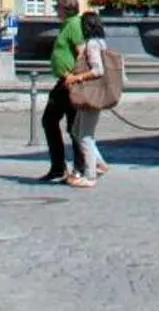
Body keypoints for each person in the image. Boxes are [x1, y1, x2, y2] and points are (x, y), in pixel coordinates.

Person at [62, 11, 114, 187]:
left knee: (85, 135)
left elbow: (98, 70)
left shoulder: (92, 44)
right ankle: (99, 163)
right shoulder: (101, 42)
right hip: (95, 92)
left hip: (92, 93)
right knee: (77, 130)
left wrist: (77, 78)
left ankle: (90, 175)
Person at [38, 0, 85, 183]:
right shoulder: (66, 24)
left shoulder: (74, 24)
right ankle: (59, 167)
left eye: (57, 6)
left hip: (71, 82)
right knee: (50, 120)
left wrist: (74, 75)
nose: (55, 9)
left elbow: (82, 52)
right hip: (63, 82)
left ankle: (78, 168)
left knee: (73, 126)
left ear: (66, 8)